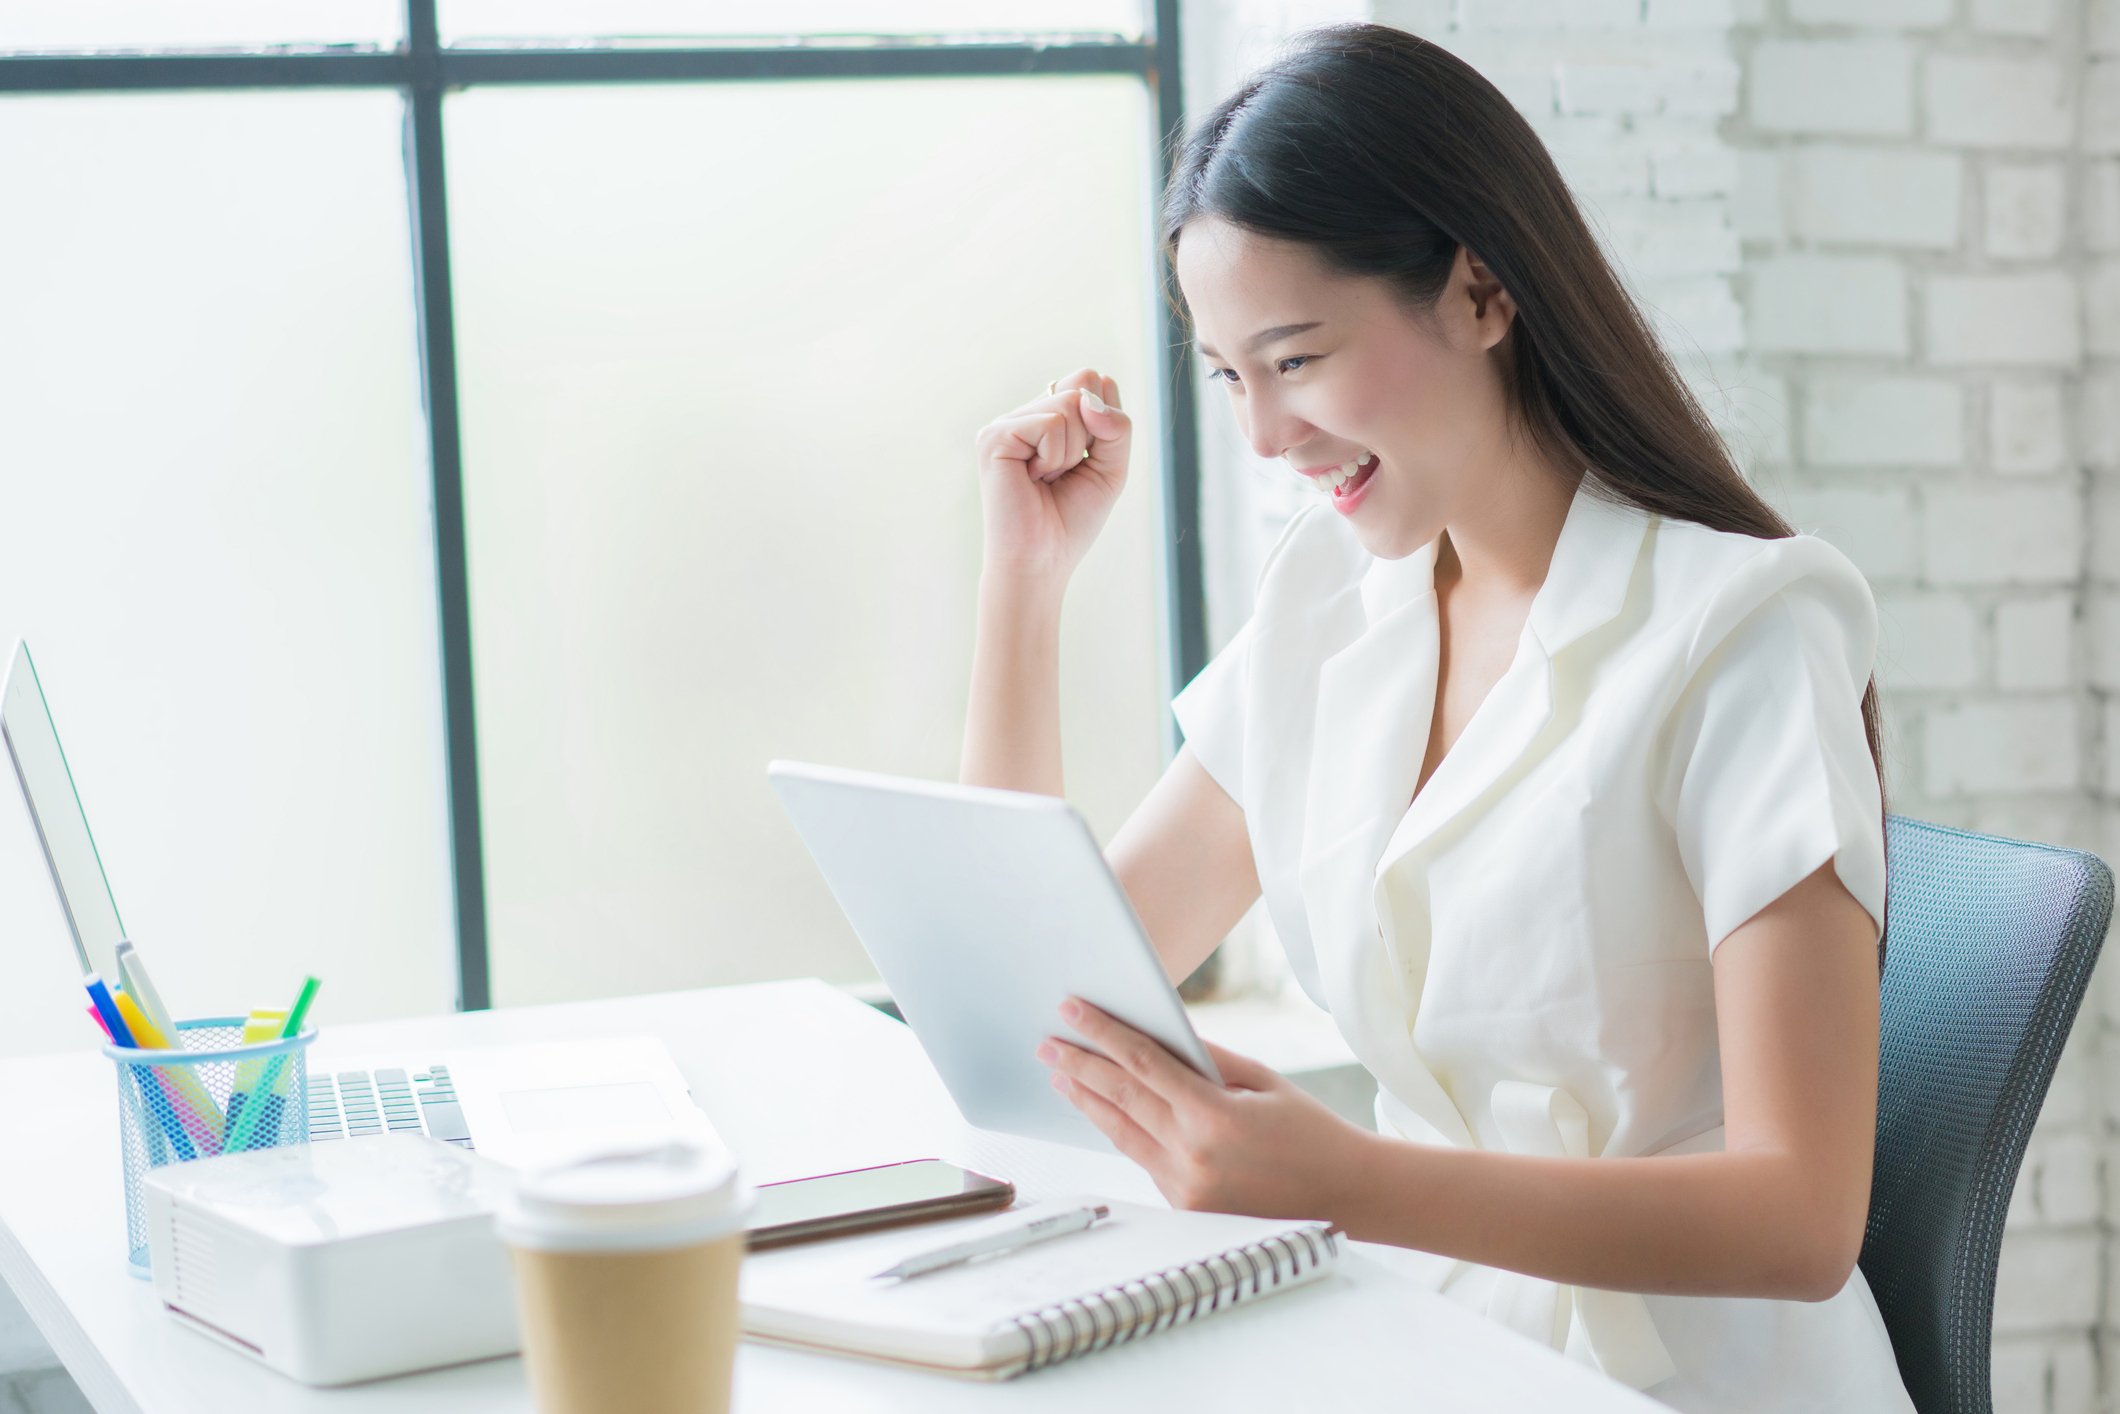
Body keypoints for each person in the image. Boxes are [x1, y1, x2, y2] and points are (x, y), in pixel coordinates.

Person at [959, 20, 1916, 1414]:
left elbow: (1802, 1218)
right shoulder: (1330, 604)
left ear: (1479, 290)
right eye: (1229, 376)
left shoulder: (1746, 628)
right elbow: (1036, 1000)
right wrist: (1024, 584)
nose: (1265, 440)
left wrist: (1347, 1178)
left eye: (1295, 357)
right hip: (1419, 1345)